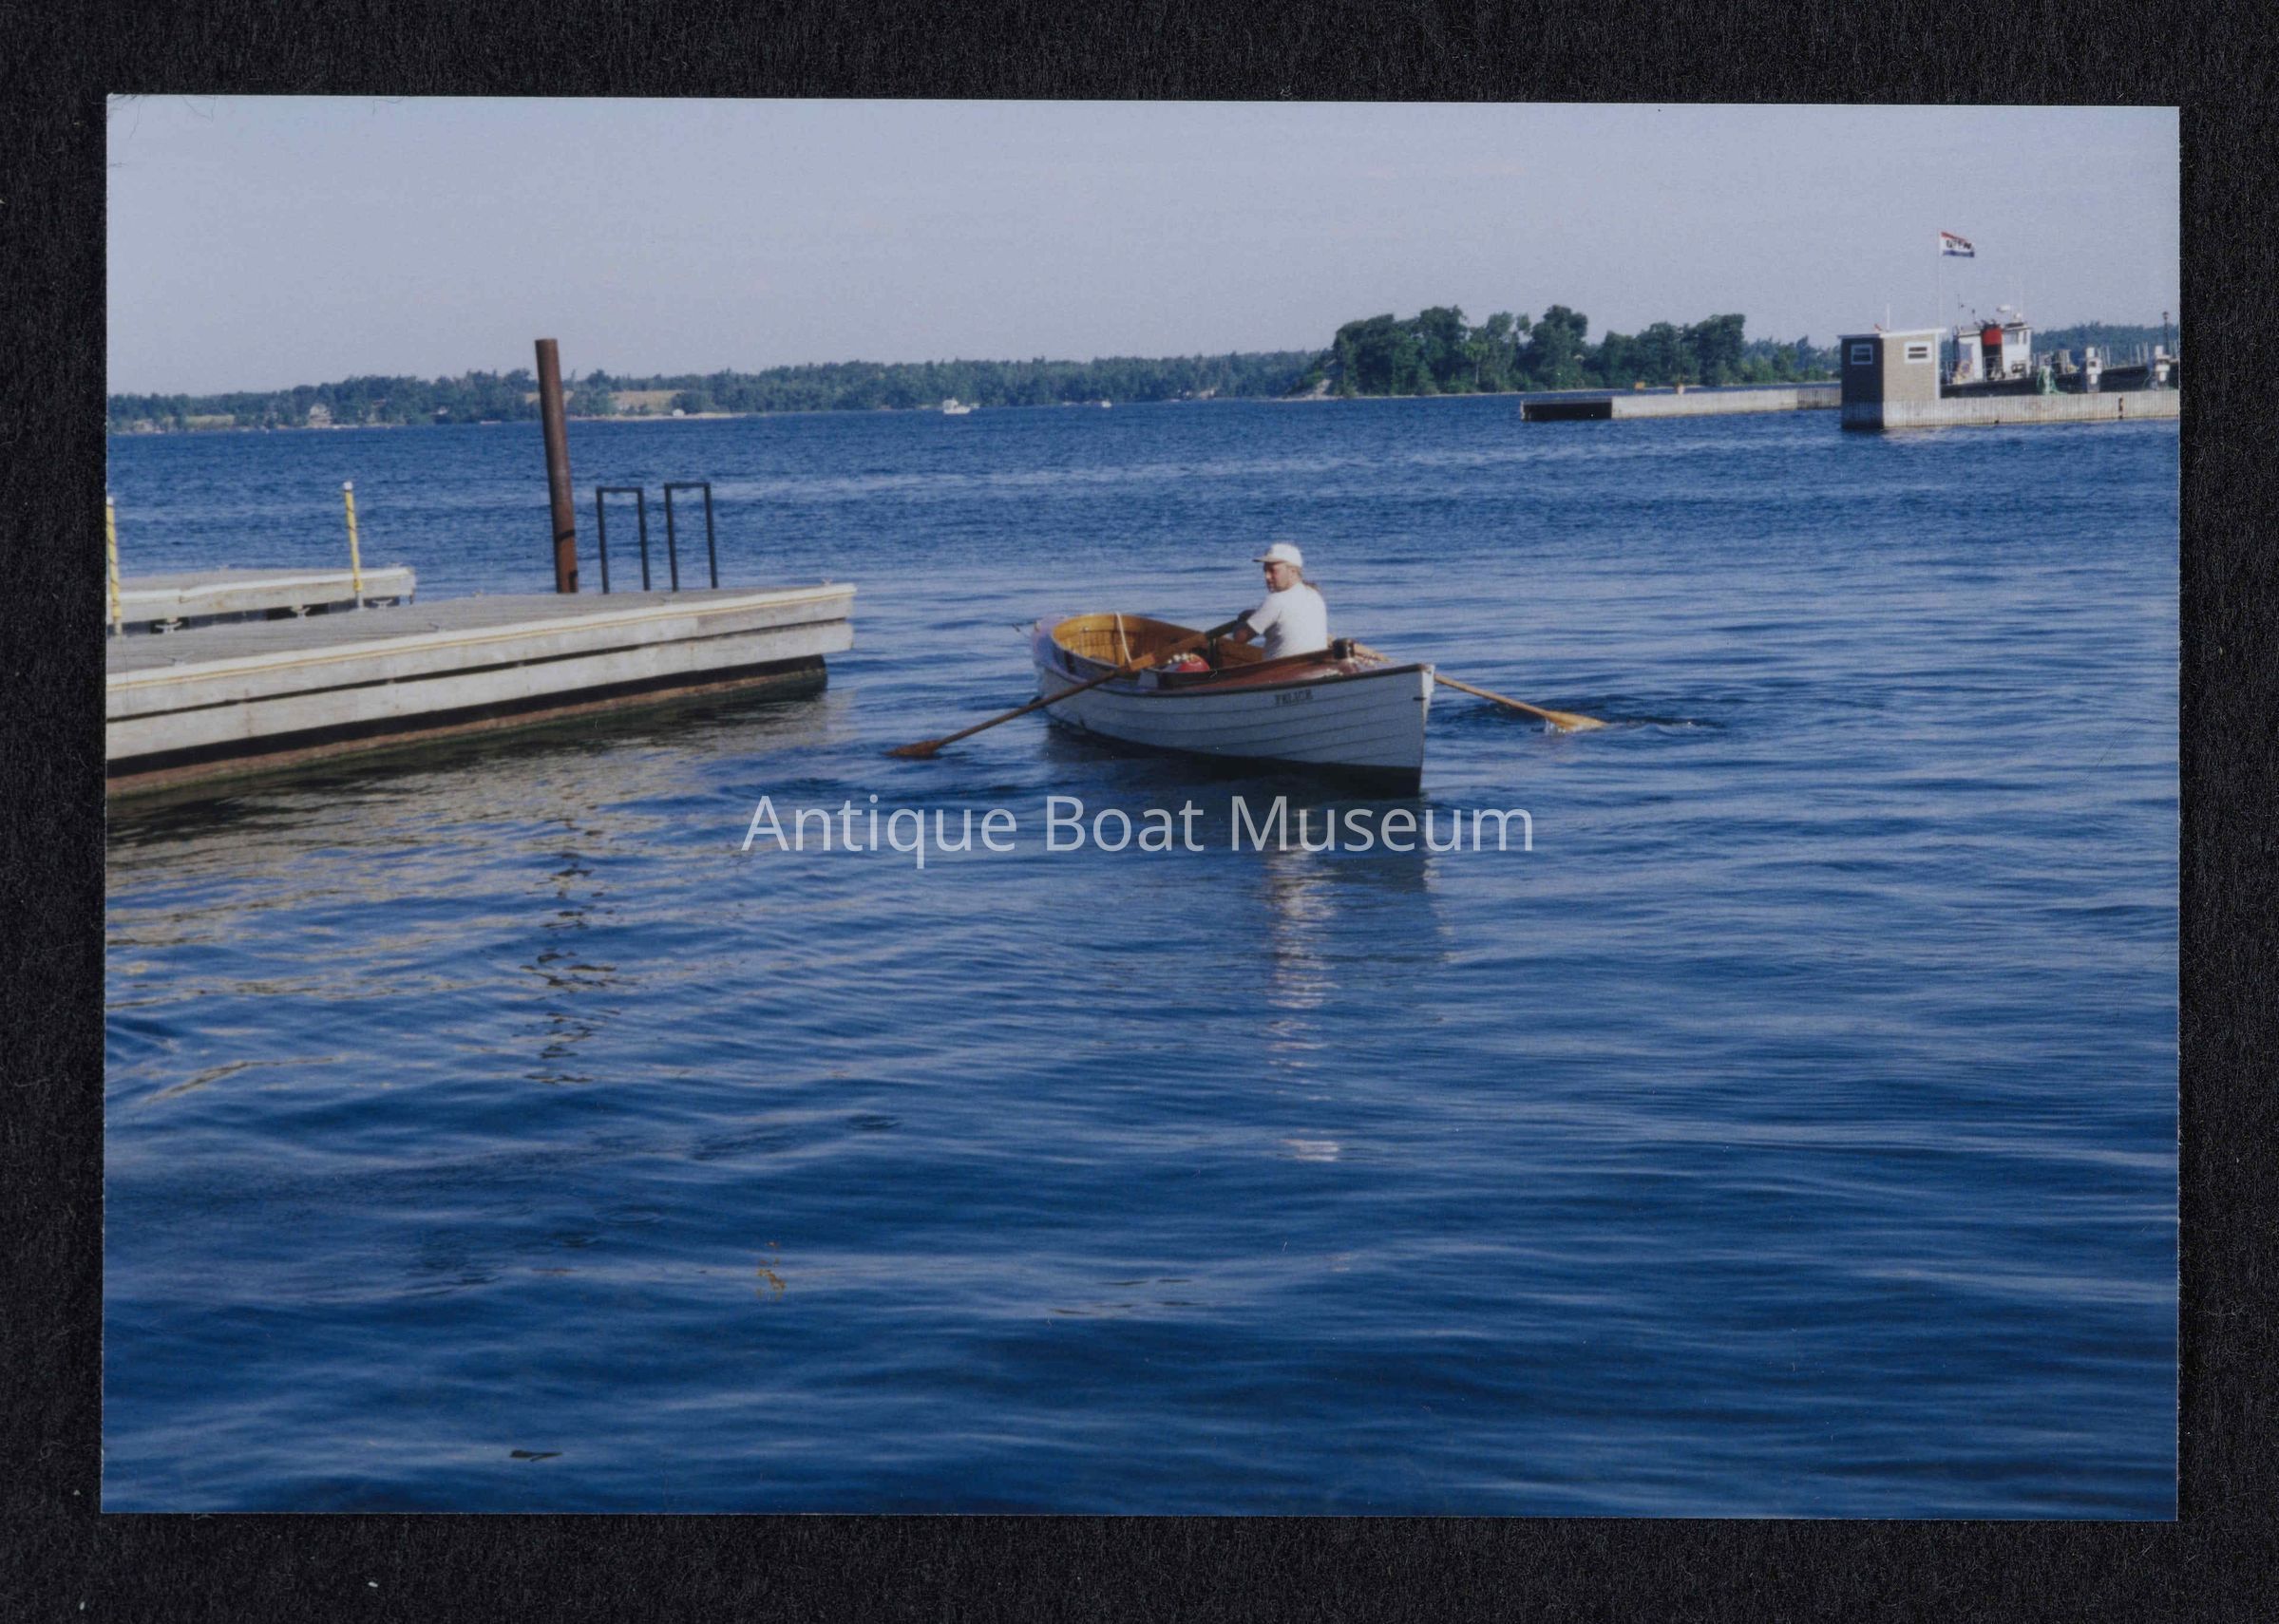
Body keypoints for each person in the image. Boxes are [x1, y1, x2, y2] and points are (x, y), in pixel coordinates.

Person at [1226, 541, 1329, 660]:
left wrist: (1241, 623)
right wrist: (1254, 615)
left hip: (1284, 670)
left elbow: (1239, 638)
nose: (1267, 577)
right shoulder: (1314, 595)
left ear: (1292, 572)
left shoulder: (1276, 601)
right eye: (1265, 571)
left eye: (1273, 571)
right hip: (1316, 665)